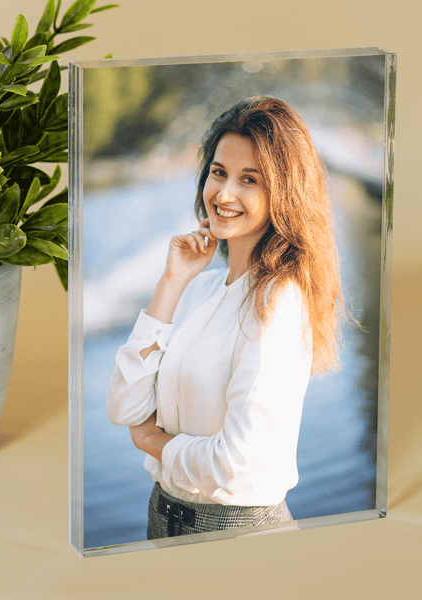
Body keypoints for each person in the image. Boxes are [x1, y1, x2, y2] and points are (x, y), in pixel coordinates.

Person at [106, 97, 342, 540]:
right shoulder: (201, 289)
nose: (224, 194)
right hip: (163, 517)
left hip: (236, 533)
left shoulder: (277, 302)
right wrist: (172, 281)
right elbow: (123, 405)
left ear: (285, 195)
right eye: (219, 172)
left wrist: (154, 442)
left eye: (249, 179)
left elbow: (235, 464)